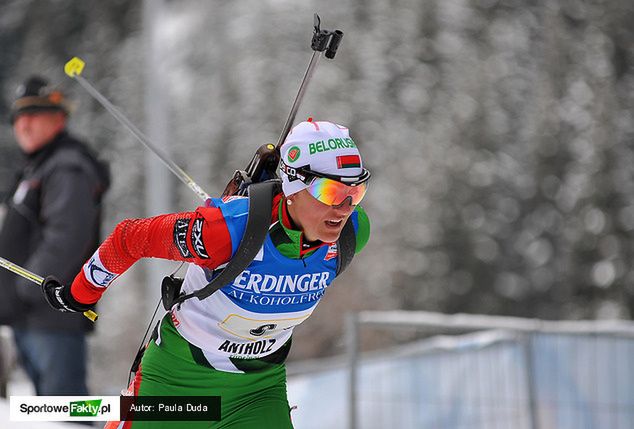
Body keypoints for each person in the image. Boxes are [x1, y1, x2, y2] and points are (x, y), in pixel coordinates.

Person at [43, 120, 370, 428]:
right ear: (294, 187)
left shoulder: (352, 234)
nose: (344, 209)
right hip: (176, 383)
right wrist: (79, 294)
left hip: (256, 392)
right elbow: (129, 238)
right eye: (331, 193)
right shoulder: (226, 231)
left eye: (355, 193)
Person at [0, 75, 110, 396]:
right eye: (19, 117)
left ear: (59, 118)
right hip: (31, 319)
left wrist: (25, 288)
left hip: (52, 317)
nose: (24, 124)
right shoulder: (39, 167)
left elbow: (66, 238)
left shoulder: (67, 167)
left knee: (64, 414)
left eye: (35, 114)